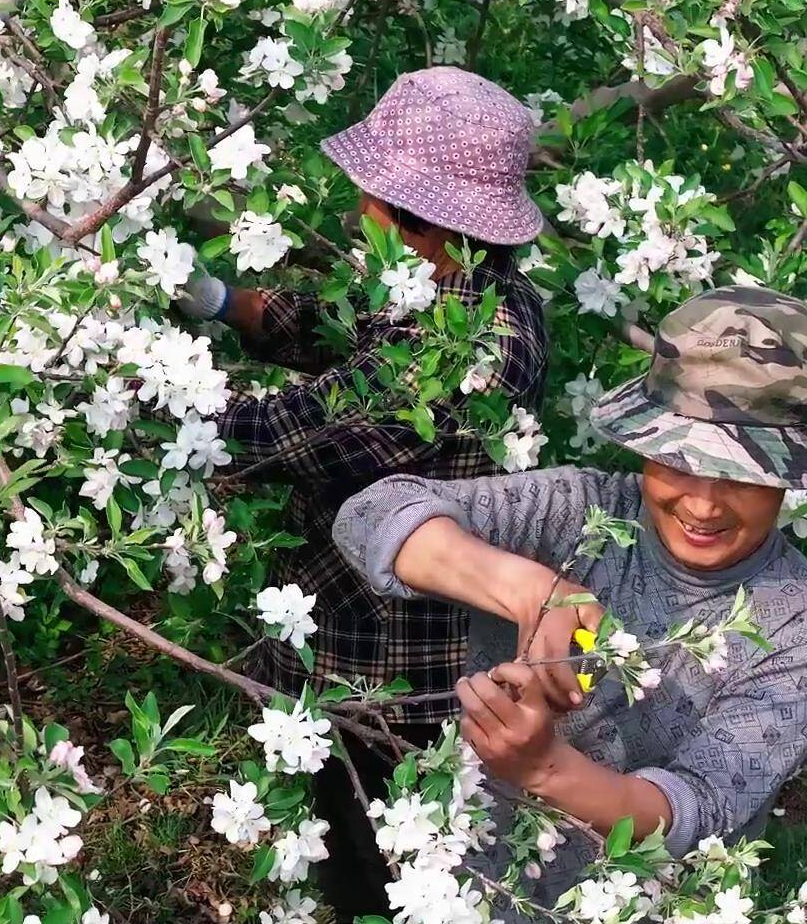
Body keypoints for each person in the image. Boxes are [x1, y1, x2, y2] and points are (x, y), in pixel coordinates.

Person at [174, 67, 550, 917]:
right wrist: (220, 301)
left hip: (396, 661)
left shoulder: (471, 350)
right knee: (338, 826)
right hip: (335, 617)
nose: (358, 215)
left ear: (429, 230)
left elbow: (299, 430)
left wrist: (138, 401)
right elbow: (333, 321)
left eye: (375, 203)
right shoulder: (441, 288)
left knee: (376, 856)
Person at [333, 286, 807, 918]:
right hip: (471, 884)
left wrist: (543, 769)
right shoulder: (582, 513)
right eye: (677, 462)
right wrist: (531, 589)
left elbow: (701, 804)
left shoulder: (792, 617)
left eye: (740, 476)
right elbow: (370, 514)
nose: (702, 504)